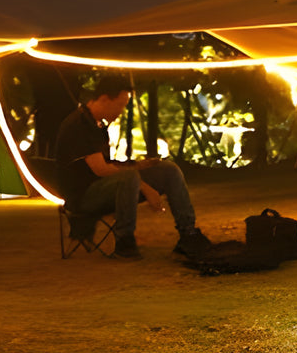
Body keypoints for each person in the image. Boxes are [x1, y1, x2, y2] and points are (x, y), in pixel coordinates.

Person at [55, 76, 210, 261]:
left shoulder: (98, 125)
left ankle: (188, 234)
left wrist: (139, 165)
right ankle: (124, 242)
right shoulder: (80, 124)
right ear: (104, 99)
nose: (121, 111)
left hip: (106, 186)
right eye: (120, 105)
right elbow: (101, 170)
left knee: (168, 169)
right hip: (83, 196)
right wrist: (145, 186)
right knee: (129, 178)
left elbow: (109, 166)